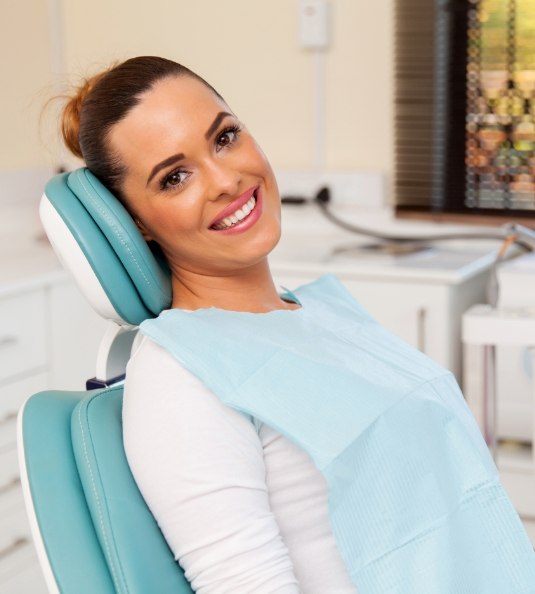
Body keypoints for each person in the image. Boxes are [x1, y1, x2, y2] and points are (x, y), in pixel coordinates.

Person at [60, 56, 535, 594]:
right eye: (175, 177)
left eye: (224, 137)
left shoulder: (321, 313)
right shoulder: (181, 376)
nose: (225, 179)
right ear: (137, 224)